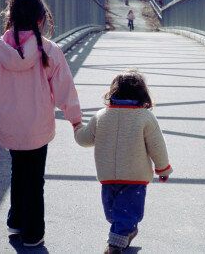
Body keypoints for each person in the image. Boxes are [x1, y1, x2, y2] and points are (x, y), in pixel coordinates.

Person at [0, 0, 82, 247]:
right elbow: (65, 88)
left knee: (18, 170)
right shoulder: (49, 50)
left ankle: (16, 220)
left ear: (10, 17)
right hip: (38, 127)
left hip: (10, 125)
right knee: (35, 178)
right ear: (40, 19)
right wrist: (76, 119)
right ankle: (33, 232)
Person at [73, 70, 173, 254]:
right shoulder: (145, 117)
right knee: (118, 213)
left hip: (113, 176)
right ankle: (126, 231)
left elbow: (85, 139)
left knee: (118, 212)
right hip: (134, 176)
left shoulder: (102, 115)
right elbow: (157, 146)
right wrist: (163, 169)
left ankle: (115, 245)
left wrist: (77, 127)